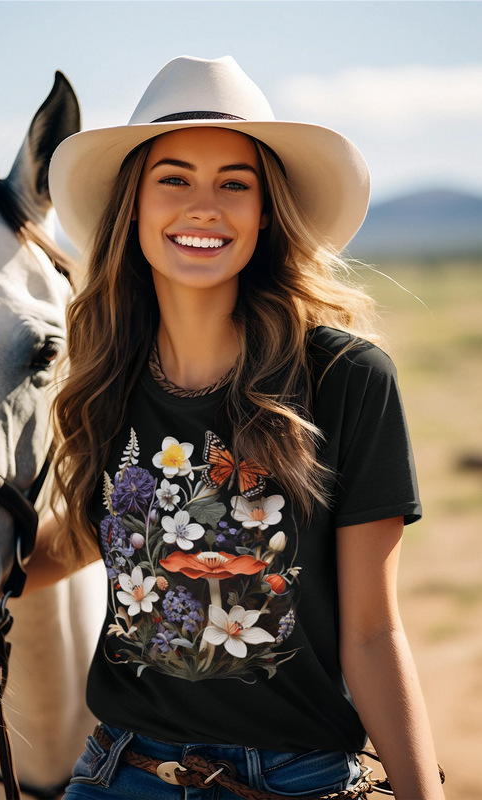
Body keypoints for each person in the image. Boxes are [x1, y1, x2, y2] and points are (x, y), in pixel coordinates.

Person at [24, 55, 445, 799]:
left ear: (264, 211)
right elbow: (93, 538)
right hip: (120, 771)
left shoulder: (346, 380)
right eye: (174, 179)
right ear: (135, 206)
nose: (204, 206)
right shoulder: (105, 378)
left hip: (291, 780)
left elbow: (372, 632)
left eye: (234, 184)